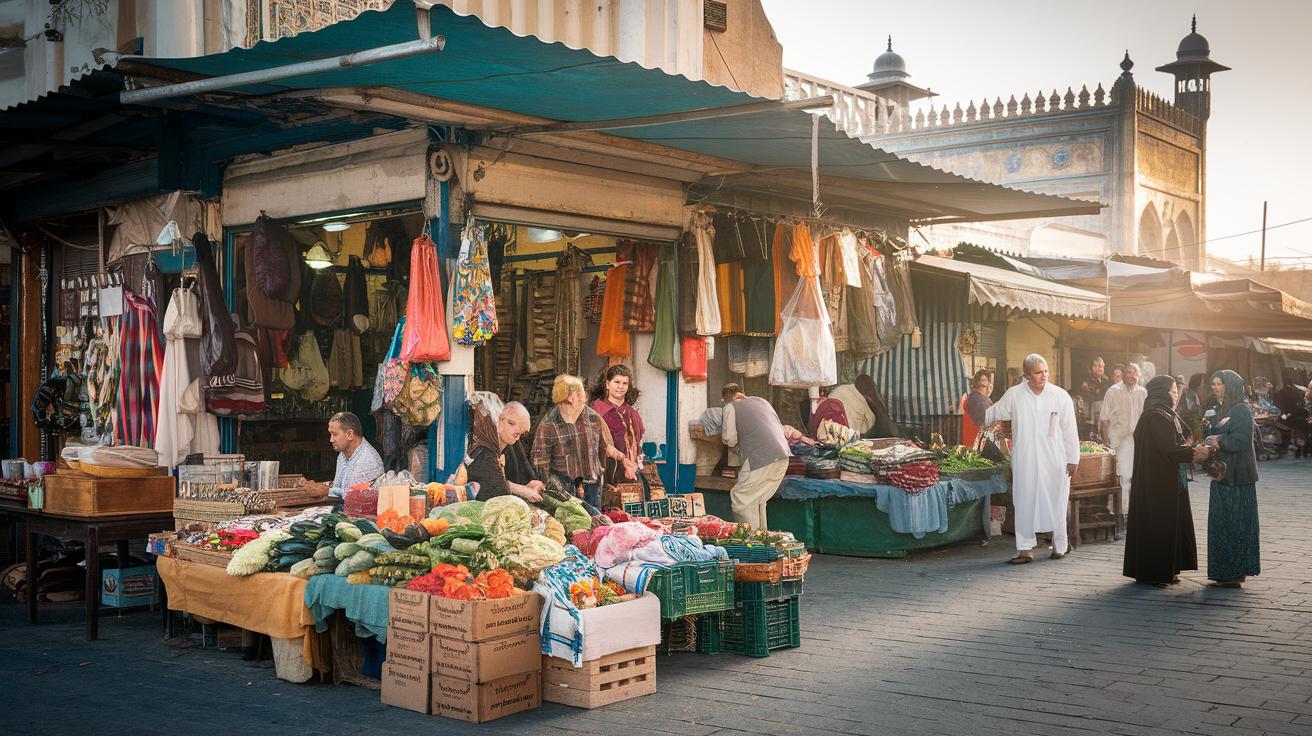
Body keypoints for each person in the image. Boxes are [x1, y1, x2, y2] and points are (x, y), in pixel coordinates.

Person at [985, 354, 1080, 564]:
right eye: (1038, 372)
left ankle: (1060, 545)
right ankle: (1025, 548)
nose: (1043, 375)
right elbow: (993, 412)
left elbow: (1070, 429)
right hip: (1025, 458)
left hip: (1055, 458)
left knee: (1057, 499)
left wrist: (1073, 458)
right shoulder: (1015, 395)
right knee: (1024, 500)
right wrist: (976, 410)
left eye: (1045, 371)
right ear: (1027, 375)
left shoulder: (1060, 395)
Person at [1122, 376, 1208, 586]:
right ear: (1161, 393)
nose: (1176, 394)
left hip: (1165, 478)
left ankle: (1168, 569)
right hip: (1158, 481)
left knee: (1171, 524)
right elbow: (1169, 448)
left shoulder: (1161, 414)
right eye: (1172, 391)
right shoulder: (1156, 416)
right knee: (1159, 525)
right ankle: (1155, 573)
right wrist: (1194, 452)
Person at [532, 374, 630, 510]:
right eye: (579, 396)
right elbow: (540, 465)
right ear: (568, 398)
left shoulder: (593, 418)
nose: (583, 400)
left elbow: (604, 445)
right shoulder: (548, 425)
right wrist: (557, 491)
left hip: (593, 487)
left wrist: (621, 457)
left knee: (595, 525)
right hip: (563, 490)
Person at [1202, 370, 1261, 589]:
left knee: (1237, 524)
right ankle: (1224, 572)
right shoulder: (1216, 409)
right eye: (1213, 384)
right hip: (1222, 475)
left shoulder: (1241, 410)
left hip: (1238, 477)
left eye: (1220, 384)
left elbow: (1241, 440)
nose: (1215, 387)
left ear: (1231, 386)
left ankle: (1235, 572)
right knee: (1221, 524)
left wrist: (1218, 439)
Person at [721, 382, 790, 531]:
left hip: (760, 458)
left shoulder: (730, 406)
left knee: (741, 498)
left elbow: (729, 439)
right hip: (783, 456)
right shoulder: (762, 401)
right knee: (759, 500)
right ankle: (762, 542)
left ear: (727, 397)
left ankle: (749, 543)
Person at [463, 393, 545, 502]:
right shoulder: (482, 450)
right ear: (497, 420)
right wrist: (519, 489)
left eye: (520, 432)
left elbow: (520, 477)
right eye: (511, 423)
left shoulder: (510, 444)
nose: (517, 433)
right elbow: (493, 488)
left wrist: (529, 485)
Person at [1100, 363, 1146, 512]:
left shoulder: (1142, 392)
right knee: (1122, 477)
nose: (1132, 376)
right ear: (1123, 374)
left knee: (1135, 477)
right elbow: (1104, 418)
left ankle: (1128, 510)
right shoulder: (1113, 391)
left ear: (1139, 376)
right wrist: (1106, 442)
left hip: (1137, 440)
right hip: (1118, 440)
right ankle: (1121, 511)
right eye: (1129, 373)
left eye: (1135, 373)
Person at [588, 365, 645, 486]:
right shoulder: (597, 411)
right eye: (617, 382)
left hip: (631, 474)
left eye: (625, 383)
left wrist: (637, 465)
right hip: (604, 476)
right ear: (608, 384)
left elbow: (640, 443)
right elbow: (592, 444)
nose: (621, 387)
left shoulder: (632, 413)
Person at [327, 411, 385, 500]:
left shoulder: (369, 461)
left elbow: (353, 498)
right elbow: (338, 488)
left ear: (349, 434)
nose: (331, 440)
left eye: (334, 434)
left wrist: (326, 491)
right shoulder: (342, 455)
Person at [827, 374, 899, 438]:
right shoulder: (865, 401)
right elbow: (876, 422)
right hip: (847, 436)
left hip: (828, 430)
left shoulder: (840, 389)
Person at [1273, 377, 1308, 455]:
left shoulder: (1279, 394)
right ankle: (1300, 448)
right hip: (1294, 419)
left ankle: (1285, 447)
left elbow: (1276, 404)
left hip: (1286, 418)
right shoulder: (1296, 393)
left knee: (1283, 429)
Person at [1081, 358, 1113, 440]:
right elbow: (1088, 399)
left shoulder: (1106, 379)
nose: (1099, 368)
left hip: (1104, 413)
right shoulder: (1086, 381)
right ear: (1091, 368)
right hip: (1090, 415)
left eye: (1101, 366)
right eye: (1096, 366)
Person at [959, 369, 993, 445]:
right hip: (977, 445)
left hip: (975, 444)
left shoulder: (979, 397)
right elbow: (986, 425)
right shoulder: (977, 399)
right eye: (984, 385)